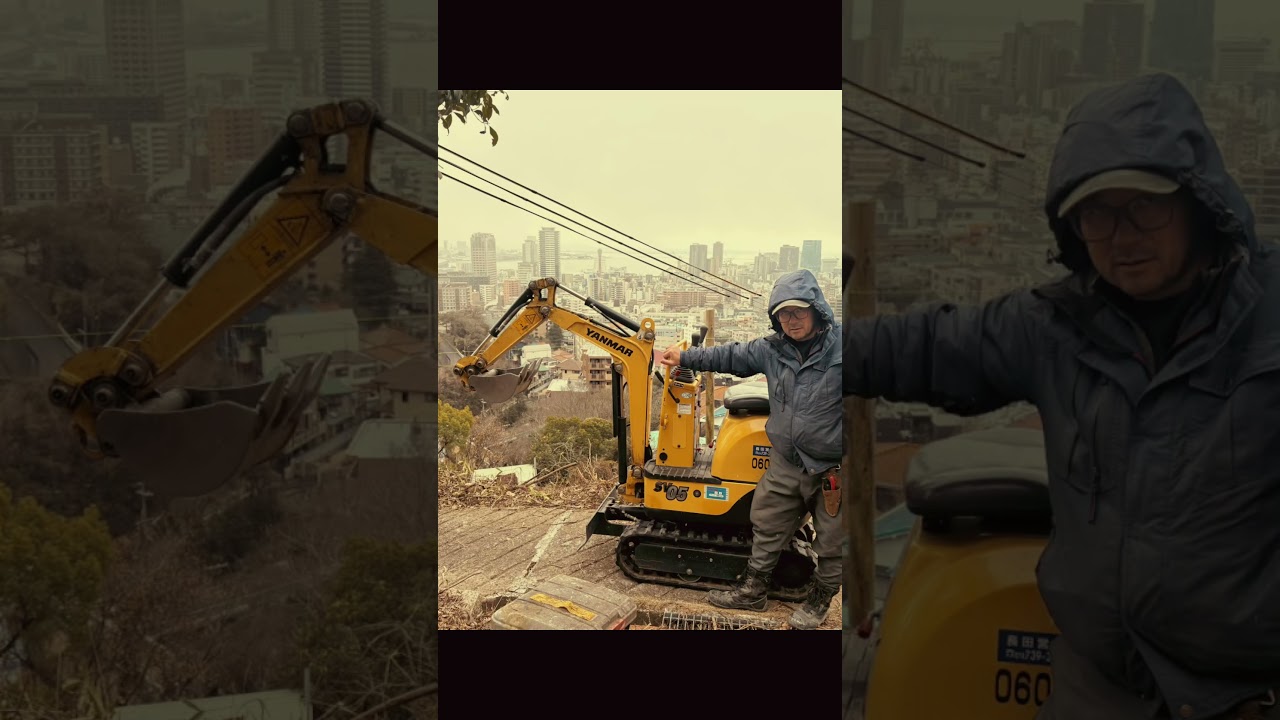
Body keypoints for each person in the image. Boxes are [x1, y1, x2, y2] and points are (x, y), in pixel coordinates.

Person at [844, 72, 1280, 719]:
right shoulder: (1060, 328)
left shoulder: (1265, 321)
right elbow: (928, 346)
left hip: (1238, 697)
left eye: (1145, 206)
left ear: (1196, 202)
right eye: (1097, 214)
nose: (1122, 235)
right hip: (1097, 687)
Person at [658, 268, 842, 630]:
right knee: (767, 523)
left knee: (835, 541)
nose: (791, 320)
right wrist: (685, 358)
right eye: (784, 314)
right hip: (787, 461)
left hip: (833, 469)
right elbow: (730, 356)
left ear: (817, 310)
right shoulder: (772, 350)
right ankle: (753, 590)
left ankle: (819, 600)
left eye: (798, 311)